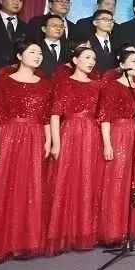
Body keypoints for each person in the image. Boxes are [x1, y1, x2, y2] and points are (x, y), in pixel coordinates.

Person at [0, 40, 51, 264]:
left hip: (35, 136)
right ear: (19, 56)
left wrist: (49, 140)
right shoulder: (4, 81)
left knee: (29, 186)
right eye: (32, 52)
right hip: (9, 135)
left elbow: (46, 116)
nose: (37, 55)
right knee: (2, 185)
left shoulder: (45, 84)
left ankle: (22, 243)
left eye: (40, 52)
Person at [44, 46, 101, 254]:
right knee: (66, 179)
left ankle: (83, 232)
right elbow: (54, 115)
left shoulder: (97, 85)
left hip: (91, 133)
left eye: (93, 58)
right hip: (69, 131)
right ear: (75, 60)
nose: (91, 61)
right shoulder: (64, 83)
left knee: (87, 180)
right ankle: (60, 234)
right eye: (87, 57)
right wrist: (56, 142)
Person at [96, 50, 135, 245]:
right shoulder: (112, 87)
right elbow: (105, 117)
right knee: (118, 179)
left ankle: (132, 228)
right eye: (133, 61)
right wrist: (107, 143)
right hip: (118, 133)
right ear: (122, 64)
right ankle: (113, 231)